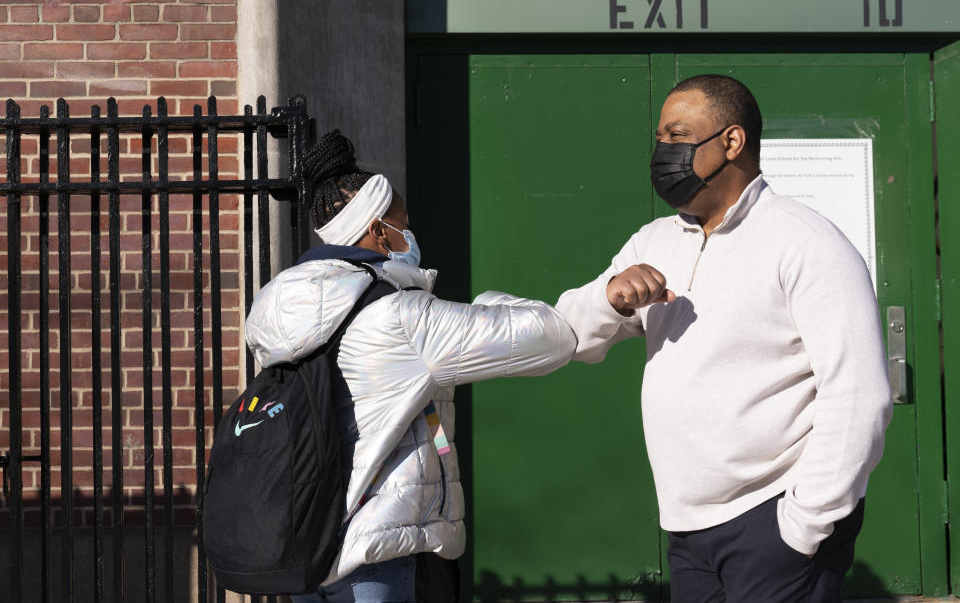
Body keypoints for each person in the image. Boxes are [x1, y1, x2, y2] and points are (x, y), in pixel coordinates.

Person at [555, 74, 892, 602]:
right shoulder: (655, 241)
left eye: (677, 135)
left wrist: (803, 525)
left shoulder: (805, 243)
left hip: (773, 519)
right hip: (687, 526)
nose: (662, 151)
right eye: (660, 138)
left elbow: (859, 397)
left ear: (731, 142)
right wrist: (611, 299)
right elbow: (573, 335)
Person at [243, 130, 576, 603]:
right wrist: (488, 303)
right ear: (379, 232)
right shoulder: (399, 315)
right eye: (405, 223)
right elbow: (552, 338)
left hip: (306, 542)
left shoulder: (276, 313)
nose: (411, 234)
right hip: (379, 551)